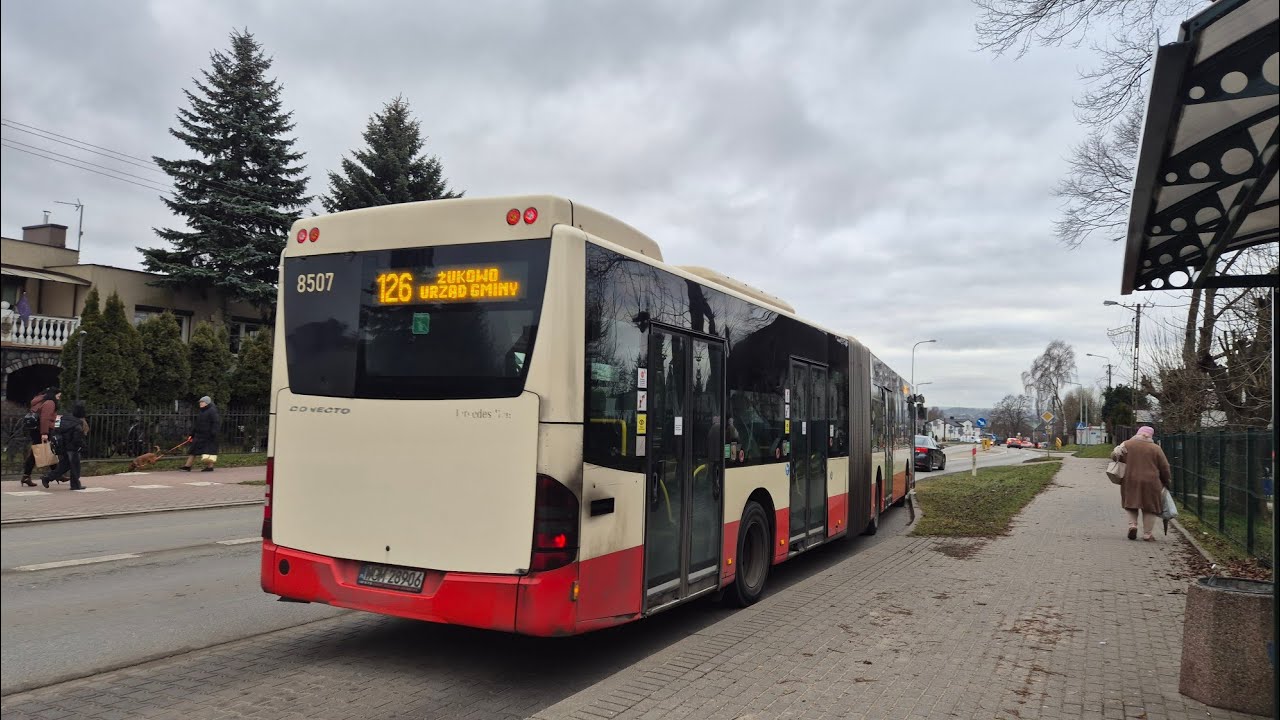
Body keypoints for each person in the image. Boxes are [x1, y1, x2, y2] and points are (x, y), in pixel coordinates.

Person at [1112, 426, 1171, 541]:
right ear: (1151, 436)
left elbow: (1114, 457)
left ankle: (1133, 525)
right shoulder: (1156, 448)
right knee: (1150, 507)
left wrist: (1117, 451)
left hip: (1130, 479)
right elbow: (1165, 467)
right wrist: (1167, 481)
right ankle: (1147, 534)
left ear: (1137, 433)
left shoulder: (1126, 444)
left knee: (1131, 504)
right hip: (1151, 482)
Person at [42, 404, 88, 491]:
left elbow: (56, 430)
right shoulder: (78, 423)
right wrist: (83, 446)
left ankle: (47, 478)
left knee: (64, 466)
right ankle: (75, 485)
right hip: (72, 447)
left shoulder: (64, 418)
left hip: (62, 446)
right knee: (75, 466)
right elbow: (77, 438)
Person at [20, 387, 60, 486]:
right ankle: (57, 474)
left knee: (42, 451)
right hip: (42, 430)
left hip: (35, 429)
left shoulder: (39, 400)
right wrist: (44, 433)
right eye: (59, 396)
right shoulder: (50, 402)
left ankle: (26, 476)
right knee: (43, 451)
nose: (59, 398)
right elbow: (45, 418)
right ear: (54, 394)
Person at [183, 396, 220, 472]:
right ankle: (187, 466)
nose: (200, 403)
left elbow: (215, 423)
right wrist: (192, 434)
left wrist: (213, 432)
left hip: (208, 435)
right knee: (193, 450)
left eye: (202, 402)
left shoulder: (212, 411)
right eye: (200, 402)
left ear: (206, 403)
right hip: (199, 435)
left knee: (208, 452)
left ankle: (210, 467)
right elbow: (197, 424)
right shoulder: (202, 411)